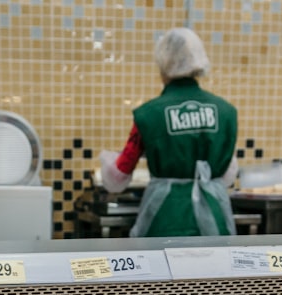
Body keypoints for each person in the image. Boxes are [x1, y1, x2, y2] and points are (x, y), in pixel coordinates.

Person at [100, 27, 239, 237]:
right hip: (213, 221)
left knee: (163, 268)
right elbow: (228, 175)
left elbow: (118, 177)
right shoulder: (226, 111)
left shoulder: (149, 114)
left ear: (163, 64)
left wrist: (105, 161)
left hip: (164, 219)